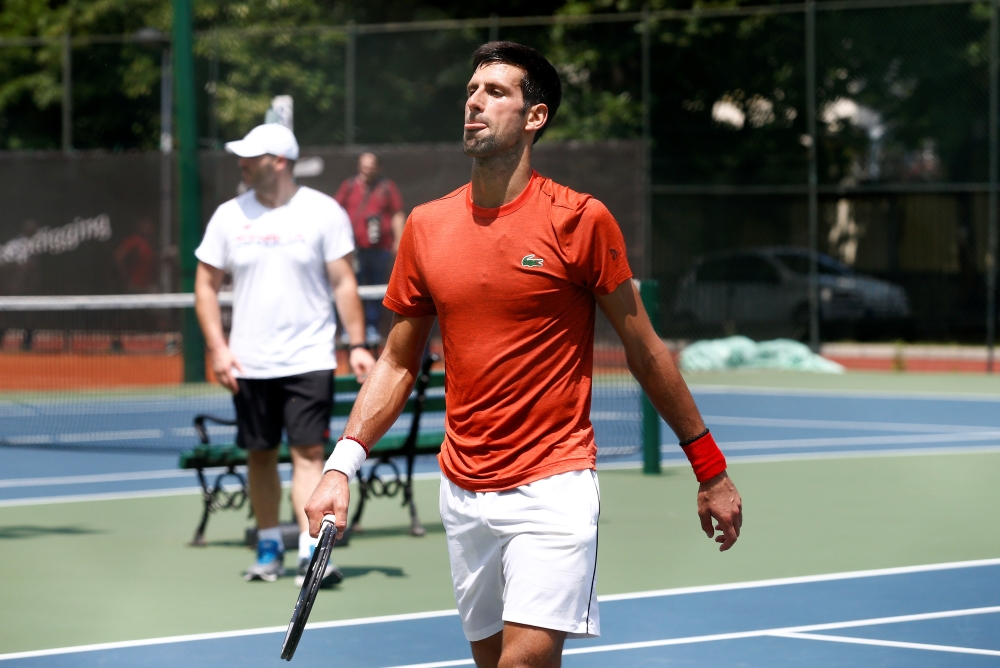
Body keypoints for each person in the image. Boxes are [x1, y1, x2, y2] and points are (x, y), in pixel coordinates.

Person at [306, 42, 742, 667]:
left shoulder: (582, 221)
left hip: (554, 486)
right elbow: (398, 363)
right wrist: (340, 466)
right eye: (470, 92)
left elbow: (645, 351)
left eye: (495, 92)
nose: (474, 104)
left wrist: (711, 468)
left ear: (535, 117)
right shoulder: (427, 228)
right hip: (461, 491)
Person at [194, 123, 376, 586]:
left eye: (250, 156)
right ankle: (269, 543)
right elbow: (206, 286)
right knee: (259, 454)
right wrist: (217, 347)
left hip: (309, 358)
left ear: (278, 160)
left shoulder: (323, 212)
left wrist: (356, 344)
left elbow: (343, 283)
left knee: (309, 451)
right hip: (249, 362)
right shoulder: (228, 216)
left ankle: (311, 550)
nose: (241, 163)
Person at [334, 153, 405, 344]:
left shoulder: (387, 187)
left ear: (378, 168)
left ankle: (372, 327)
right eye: (364, 166)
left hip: (380, 248)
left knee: (376, 288)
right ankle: (351, 329)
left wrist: (399, 240)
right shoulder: (349, 187)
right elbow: (335, 210)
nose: (367, 170)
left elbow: (397, 213)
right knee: (352, 286)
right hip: (353, 248)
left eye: (371, 166)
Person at [114, 218, 157, 292]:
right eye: (146, 224)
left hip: (148, 284)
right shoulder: (134, 240)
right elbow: (118, 256)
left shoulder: (150, 243)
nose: (148, 227)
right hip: (135, 285)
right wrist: (125, 275)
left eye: (150, 224)